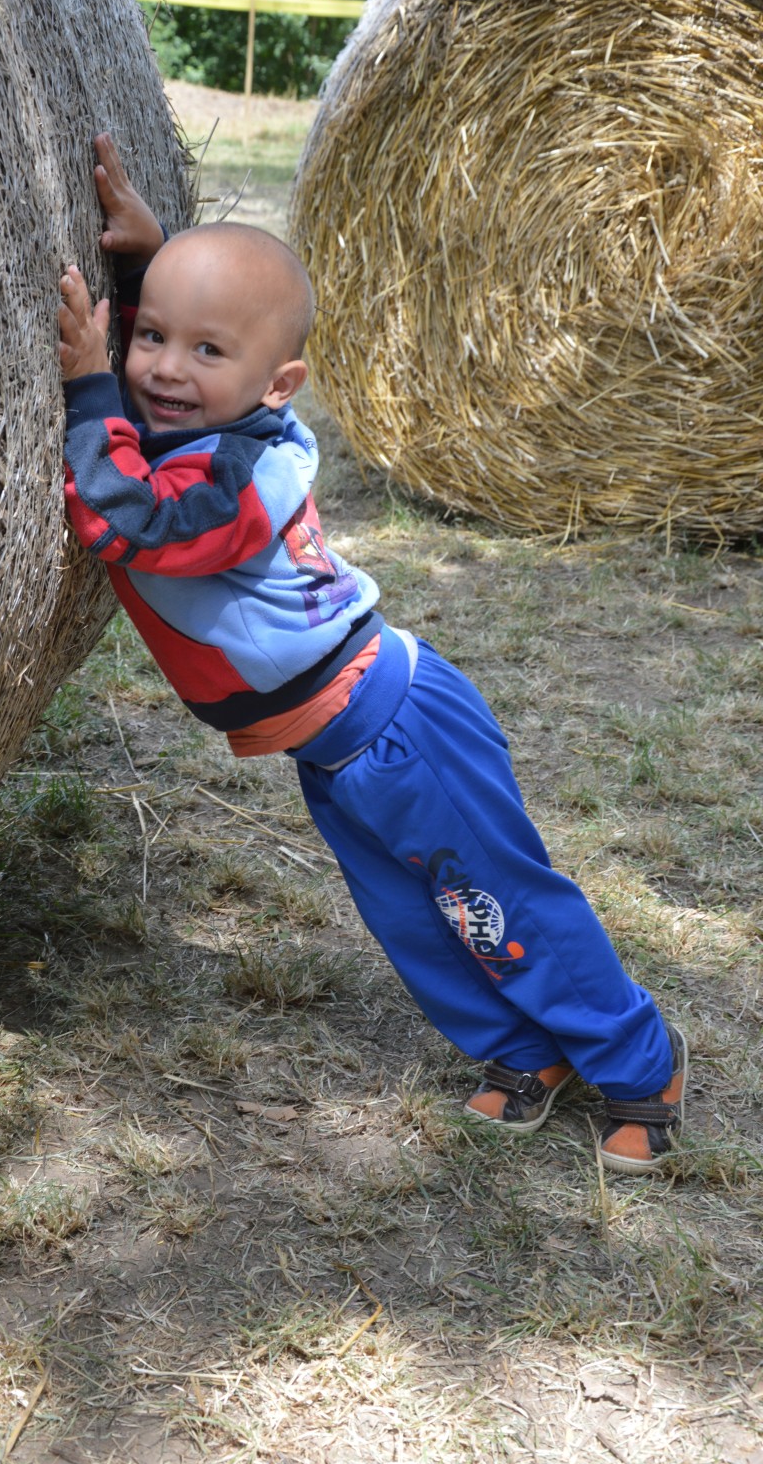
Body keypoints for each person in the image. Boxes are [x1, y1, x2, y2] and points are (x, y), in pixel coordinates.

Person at [57, 133, 688, 1177]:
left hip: (397, 727)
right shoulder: (207, 425)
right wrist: (142, 266)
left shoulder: (241, 476)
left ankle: (638, 1063)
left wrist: (87, 383)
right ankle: (521, 1050)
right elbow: (165, 403)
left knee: (497, 900)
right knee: (412, 917)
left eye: (205, 351)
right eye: (151, 337)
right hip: (337, 745)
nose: (163, 367)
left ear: (279, 384)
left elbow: (129, 515)